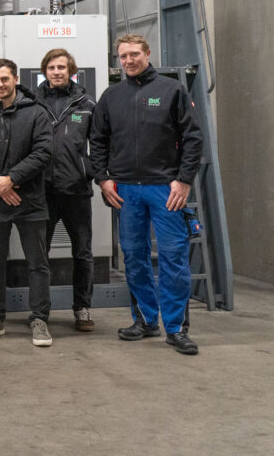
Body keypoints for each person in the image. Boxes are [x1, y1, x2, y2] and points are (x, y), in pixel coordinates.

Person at [90, 34, 203, 355]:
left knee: (173, 259)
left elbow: (193, 138)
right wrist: (103, 179)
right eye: (123, 56)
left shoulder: (172, 91)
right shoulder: (111, 96)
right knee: (134, 258)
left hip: (165, 189)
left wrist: (183, 180)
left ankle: (176, 328)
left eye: (134, 54)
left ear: (147, 54)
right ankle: (146, 320)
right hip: (125, 190)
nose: (129, 60)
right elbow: (97, 140)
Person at [0, 58, 54, 347]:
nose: (0, 85)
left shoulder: (37, 113)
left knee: (37, 263)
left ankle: (39, 318)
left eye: (4, 79)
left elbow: (43, 153)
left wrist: (12, 179)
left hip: (31, 202)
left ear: (16, 78)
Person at [35, 48, 98, 333]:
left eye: (61, 67)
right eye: (51, 67)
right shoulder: (32, 103)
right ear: (44, 71)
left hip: (76, 191)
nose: (57, 71)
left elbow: (99, 145)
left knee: (83, 253)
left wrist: (91, 171)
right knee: (40, 254)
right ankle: (41, 312)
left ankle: (82, 309)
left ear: (70, 70)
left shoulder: (86, 104)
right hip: (42, 192)